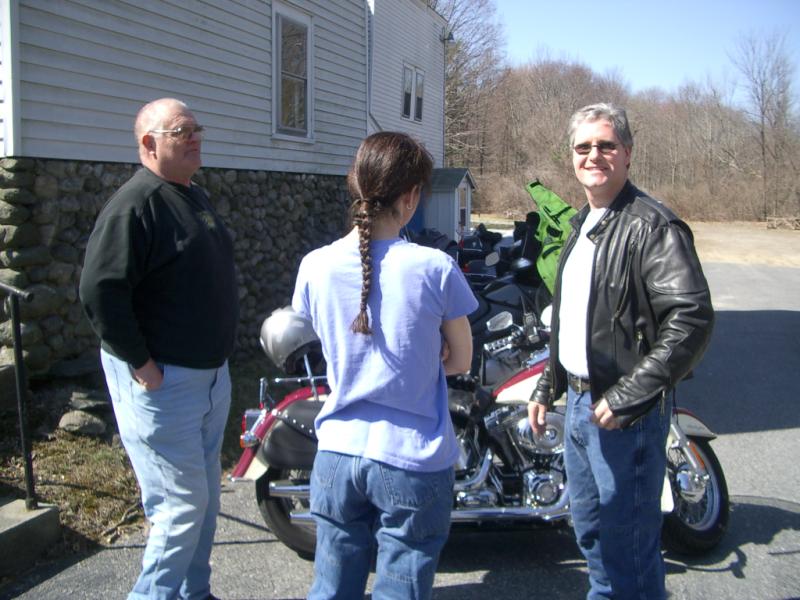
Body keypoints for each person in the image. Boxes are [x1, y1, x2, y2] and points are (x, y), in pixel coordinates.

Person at [528, 103, 714, 599]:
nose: (594, 155)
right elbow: (570, 317)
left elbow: (692, 319)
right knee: (591, 534)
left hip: (625, 416)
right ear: (571, 156)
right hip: (579, 408)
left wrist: (630, 394)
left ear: (627, 153)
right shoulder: (581, 225)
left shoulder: (653, 226)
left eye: (606, 145)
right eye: (583, 147)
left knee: (627, 549)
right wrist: (548, 384)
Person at [291, 131, 477, 599]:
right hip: (412, 458)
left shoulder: (314, 265)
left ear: (355, 183)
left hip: (336, 453)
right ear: (411, 197)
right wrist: (424, 356)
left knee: (331, 587)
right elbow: (461, 360)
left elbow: (327, 339)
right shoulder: (435, 267)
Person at [79, 98, 238, 600]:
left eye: (197, 129)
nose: (196, 138)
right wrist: (141, 363)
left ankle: (195, 593)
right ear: (149, 143)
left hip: (208, 379)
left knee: (204, 501)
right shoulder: (136, 204)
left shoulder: (190, 194)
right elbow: (100, 291)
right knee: (180, 507)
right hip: (165, 383)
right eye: (182, 131)